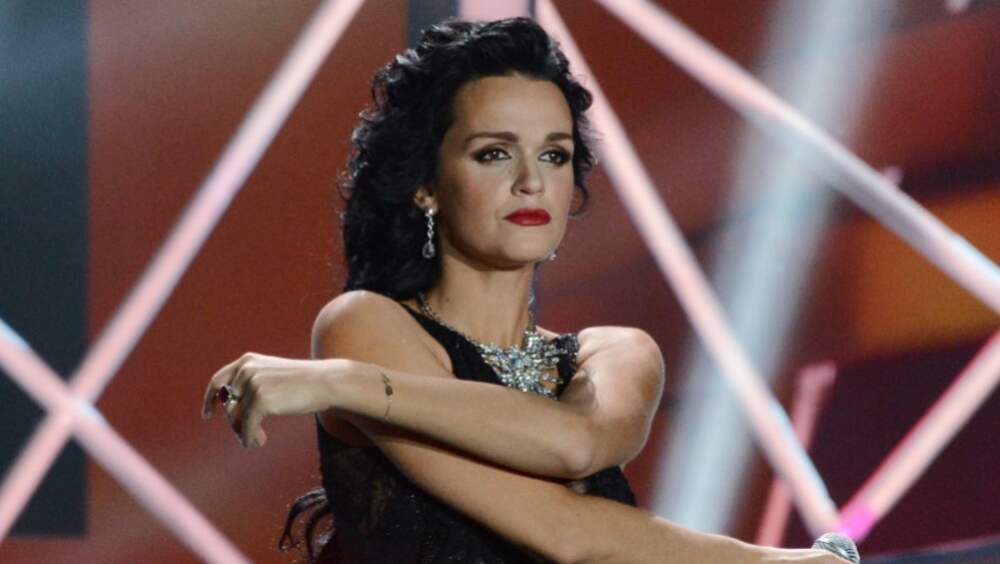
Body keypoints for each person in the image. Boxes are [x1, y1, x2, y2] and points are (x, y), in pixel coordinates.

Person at [203, 17, 850, 564]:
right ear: (425, 185)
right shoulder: (365, 326)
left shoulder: (616, 355)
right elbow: (566, 534)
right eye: (494, 153)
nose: (531, 182)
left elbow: (577, 444)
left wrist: (342, 383)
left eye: (554, 155)